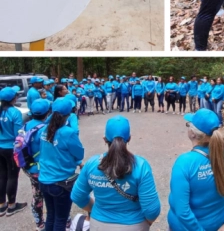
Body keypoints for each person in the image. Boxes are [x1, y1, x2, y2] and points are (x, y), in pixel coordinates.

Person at [71, 116, 161, 230]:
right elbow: (152, 210)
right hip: (134, 225)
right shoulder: (141, 166)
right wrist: (145, 223)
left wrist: (96, 209)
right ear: (129, 138)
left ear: (104, 139)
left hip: (99, 224)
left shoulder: (92, 164)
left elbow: (77, 196)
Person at [168, 109, 224, 231]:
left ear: (192, 133)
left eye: (188, 125)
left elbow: (182, 210)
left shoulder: (184, 163)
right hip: (218, 225)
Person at [39, 98, 85, 231]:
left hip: (45, 180)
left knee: (51, 216)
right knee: (60, 219)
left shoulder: (44, 129)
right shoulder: (68, 133)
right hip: (60, 183)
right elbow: (79, 154)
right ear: (69, 114)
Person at [24, 99, 52, 229]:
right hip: (45, 169)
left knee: (36, 196)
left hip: (31, 167)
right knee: (52, 196)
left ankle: (39, 223)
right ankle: (60, 221)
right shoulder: (46, 129)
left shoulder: (26, 125)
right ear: (47, 112)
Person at [0, 86, 27, 217]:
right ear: (13, 98)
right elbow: (19, 134)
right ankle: (12, 205)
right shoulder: (14, 112)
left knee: (1, 175)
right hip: (11, 149)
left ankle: (1, 205)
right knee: (12, 176)